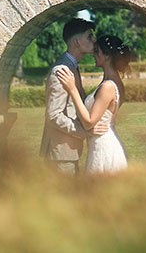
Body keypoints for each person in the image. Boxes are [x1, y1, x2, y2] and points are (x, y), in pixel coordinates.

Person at [40, 17, 107, 175]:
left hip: (67, 152)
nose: (94, 40)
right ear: (77, 42)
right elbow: (53, 115)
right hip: (60, 155)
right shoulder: (61, 71)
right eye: (89, 36)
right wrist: (86, 132)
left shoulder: (72, 66)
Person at [56, 34, 131, 173]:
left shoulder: (108, 86)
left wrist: (72, 89)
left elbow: (89, 122)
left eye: (97, 51)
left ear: (107, 56)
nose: (93, 54)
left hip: (104, 147)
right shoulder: (111, 82)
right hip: (101, 143)